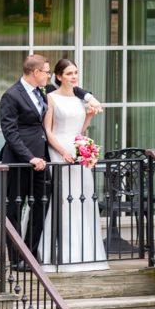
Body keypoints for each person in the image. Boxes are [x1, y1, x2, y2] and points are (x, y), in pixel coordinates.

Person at [0, 55, 100, 266]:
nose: (48, 75)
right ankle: (16, 258)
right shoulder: (11, 95)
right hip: (20, 160)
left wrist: (89, 97)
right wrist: (30, 157)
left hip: (44, 159)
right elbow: (10, 133)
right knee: (14, 209)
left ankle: (30, 253)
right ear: (35, 73)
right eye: (46, 72)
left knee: (41, 205)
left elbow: (71, 89)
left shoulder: (43, 91)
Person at [39, 58, 108, 272]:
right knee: (62, 199)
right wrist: (62, 151)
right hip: (59, 150)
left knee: (82, 198)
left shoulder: (78, 99)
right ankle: (58, 252)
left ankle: (84, 252)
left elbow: (80, 130)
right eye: (69, 73)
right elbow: (48, 131)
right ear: (58, 76)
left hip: (78, 151)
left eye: (75, 73)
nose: (74, 77)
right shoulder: (50, 98)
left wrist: (88, 115)